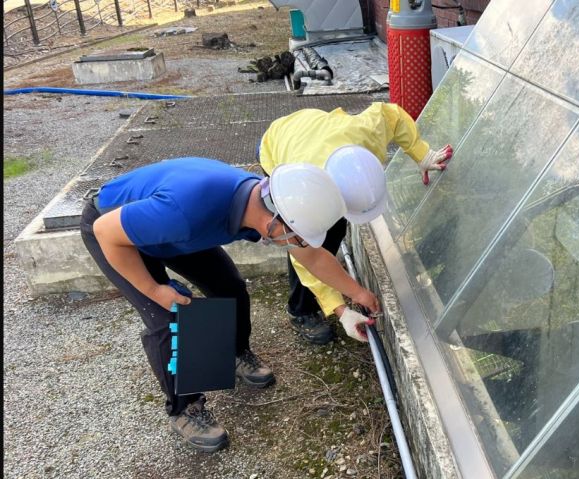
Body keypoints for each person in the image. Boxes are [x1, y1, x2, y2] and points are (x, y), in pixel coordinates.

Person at [80, 157, 380, 452]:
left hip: (165, 228)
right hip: (113, 232)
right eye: (297, 238)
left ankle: (234, 353)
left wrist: (357, 292)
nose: (299, 245)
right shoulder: (186, 213)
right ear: (274, 224)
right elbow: (106, 231)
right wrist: (154, 290)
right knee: (170, 316)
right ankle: (185, 409)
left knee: (229, 288)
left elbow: (312, 256)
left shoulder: (264, 200)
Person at [258, 101, 453, 345]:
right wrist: (339, 309)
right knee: (309, 237)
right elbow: (303, 253)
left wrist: (422, 154)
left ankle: (328, 279)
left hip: (313, 129)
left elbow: (392, 115)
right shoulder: (302, 188)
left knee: (335, 230)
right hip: (276, 145)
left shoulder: (367, 134)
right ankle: (301, 310)